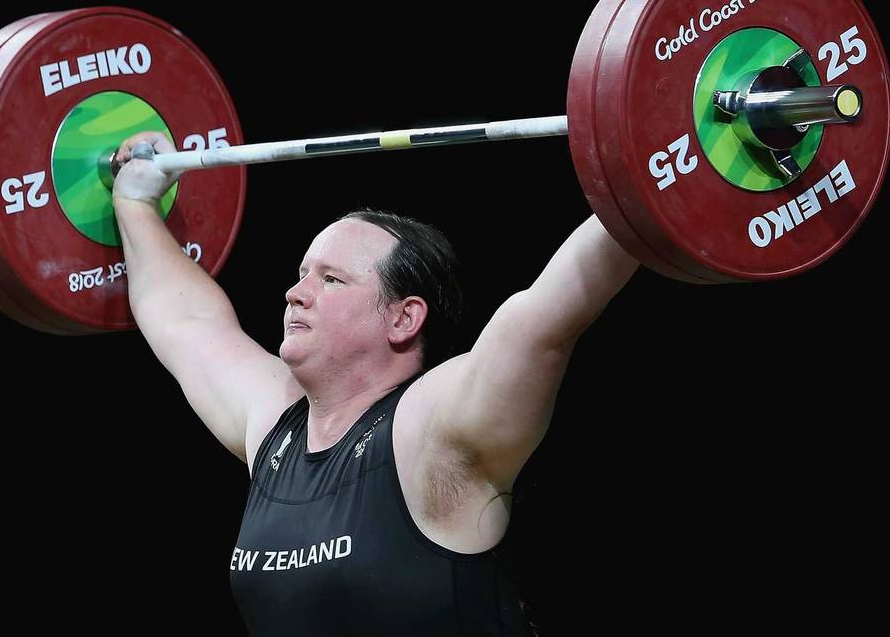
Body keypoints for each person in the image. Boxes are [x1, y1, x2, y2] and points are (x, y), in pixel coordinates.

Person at [112, 131, 639, 635]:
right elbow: (185, 323)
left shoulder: (431, 428)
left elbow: (547, 316)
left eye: (331, 279)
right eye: (302, 273)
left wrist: (657, 167)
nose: (296, 293)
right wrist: (135, 202)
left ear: (403, 319)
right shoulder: (275, 424)